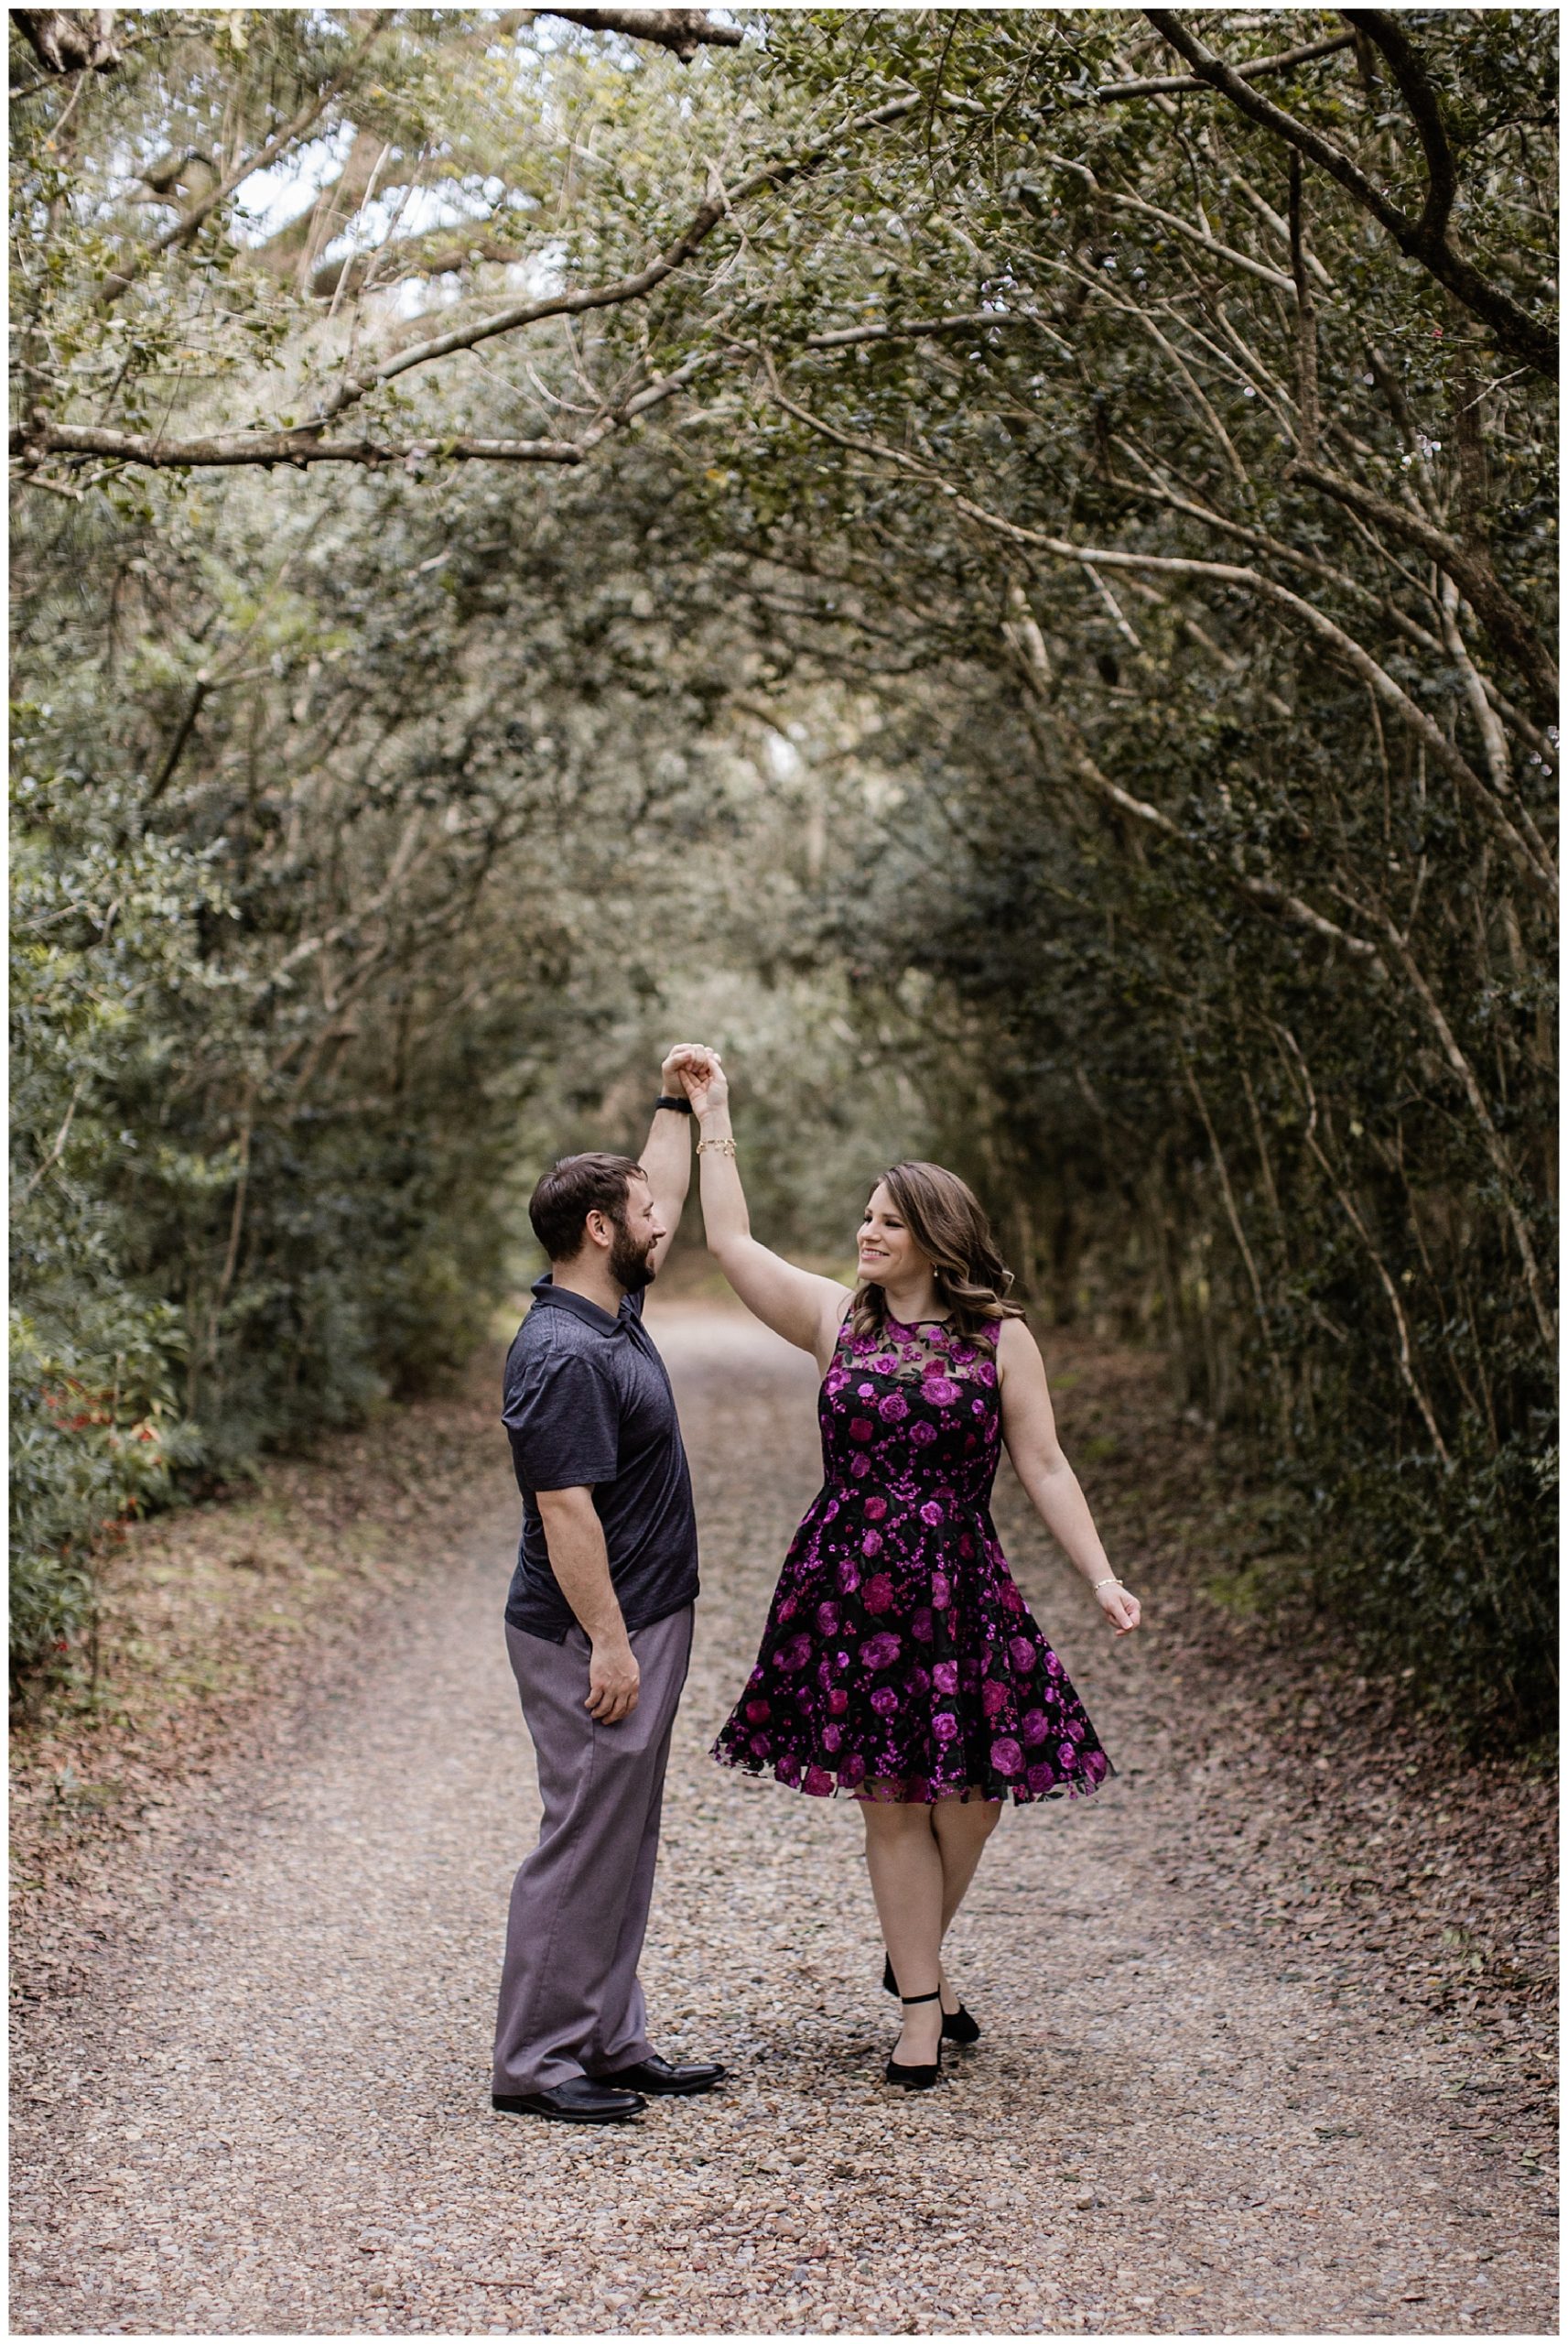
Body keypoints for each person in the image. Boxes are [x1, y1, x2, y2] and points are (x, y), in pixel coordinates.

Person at [677, 1047, 1140, 2090]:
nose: (866, 1232)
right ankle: (921, 2010)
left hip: (960, 1581)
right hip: (850, 1581)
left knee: (973, 1795)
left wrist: (1101, 1574)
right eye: (866, 1217)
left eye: (887, 1220)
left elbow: (1046, 1462)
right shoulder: (836, 1319)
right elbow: (732, 1239)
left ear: (935, 1236)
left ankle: (910, 1949)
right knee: (891, 1796)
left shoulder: (1000, 1340)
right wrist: (714, 1113)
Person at [491, 1049, 726, 2124]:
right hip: (593, 1629)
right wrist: (612, 1641)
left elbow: (660, 1186)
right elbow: (565, 1510)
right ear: (599, 1229)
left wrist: (679, 1101)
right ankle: (537, 2060)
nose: (658, 1221)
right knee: (584, 1829)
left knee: (622, 1828)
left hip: (639, 1613)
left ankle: (608, 2037)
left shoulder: (607, 1310)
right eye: (639, 1212)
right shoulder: (562, 1354)